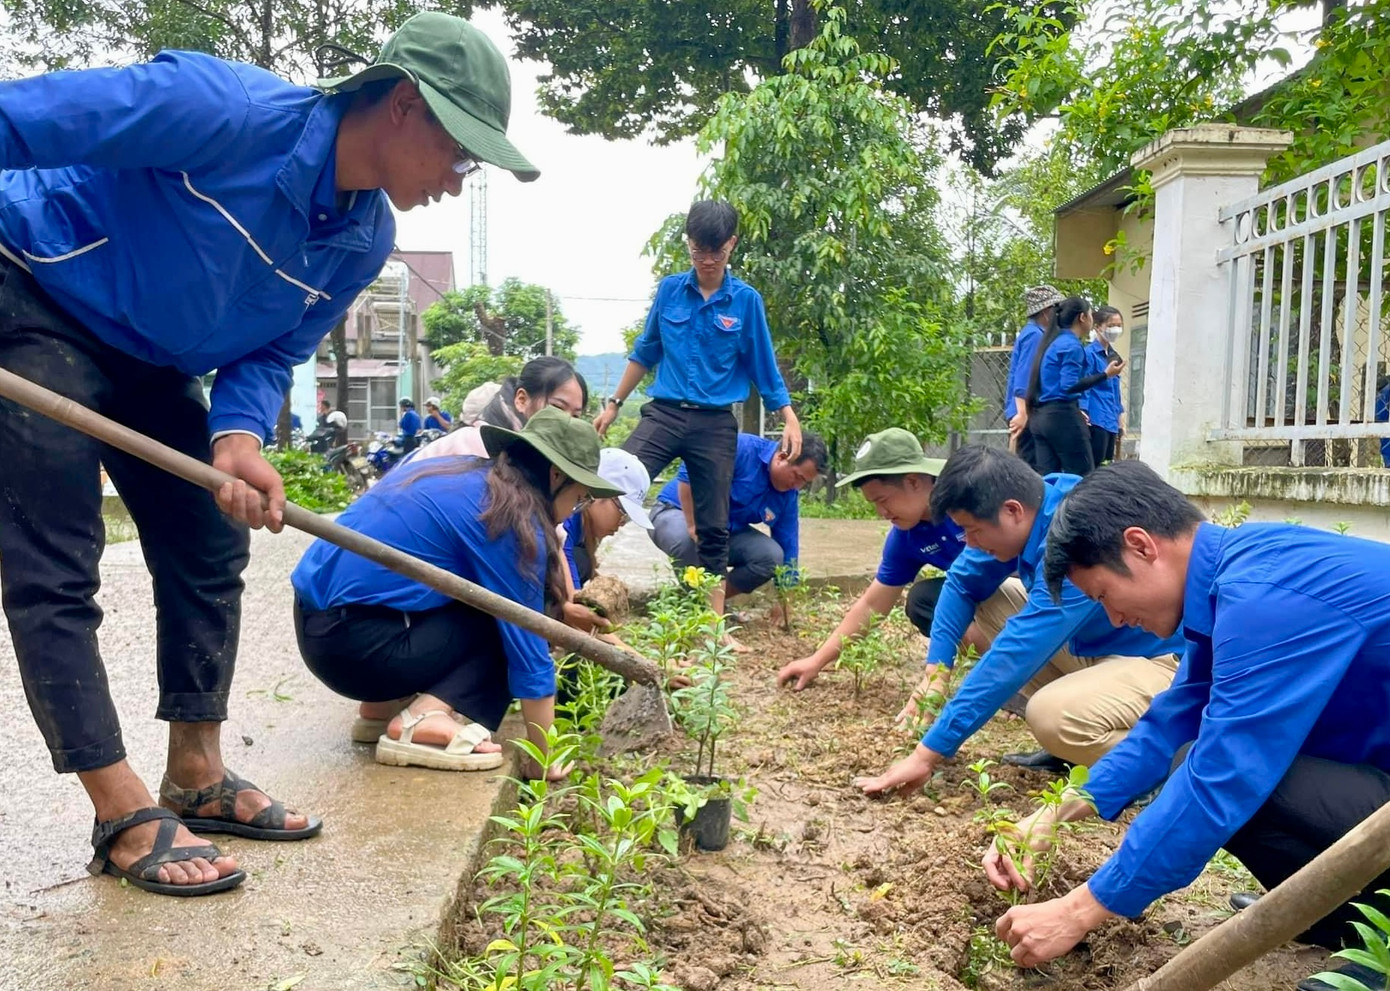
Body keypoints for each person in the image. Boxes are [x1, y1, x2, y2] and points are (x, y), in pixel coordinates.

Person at [0, 11, 535, 895]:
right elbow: (31, 115)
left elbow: (273, 349)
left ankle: (196, 771)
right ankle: (118, 807)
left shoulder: (363, 238)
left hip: (150, 354)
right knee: (57, 555)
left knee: (210, 540)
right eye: (458, 151)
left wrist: (238, 437)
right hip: (38, 287)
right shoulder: (222, 110)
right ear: (404, 104)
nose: (456, 178)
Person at [988, 461, 1390, 991]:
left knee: (1236, 780)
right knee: (1190, 759)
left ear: (1140, 546)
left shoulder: (1263, 598)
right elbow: (1172, 721)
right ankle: (1341, 920)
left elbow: (1222, 776)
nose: (1114, 619)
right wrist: (1055, 812)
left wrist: (1079, 910)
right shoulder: (1233, 575)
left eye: (1105, 595)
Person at [291, 407, 621, 775]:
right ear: (556, 475)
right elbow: (529, 648)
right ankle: (423, 717)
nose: (574, 510)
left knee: (478, 596)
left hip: (318, 627)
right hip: (356, 650)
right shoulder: (509, 517)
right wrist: (543, 759)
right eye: (579, 498)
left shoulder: (458, 472)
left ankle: (381, 707)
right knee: (520, 615)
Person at [855, 445, 1184, 796]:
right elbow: (960, 583)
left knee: (1052, 717)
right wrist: (936, 675)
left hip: (1167, 663)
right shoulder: (1037, 505)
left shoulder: (1077, 538)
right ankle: (1077, 745)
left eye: (973, 530)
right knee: (990, 601)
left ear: (1012, 510)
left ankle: (1176, 765)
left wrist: (927, 753)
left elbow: (1012, 658)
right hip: (1107, 647)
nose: (969, 543)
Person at [593, 200, 802, 623]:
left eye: (716, 252)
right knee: (611, 480)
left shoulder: (746, 301)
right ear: (688, 243)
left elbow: (763, 365)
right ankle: (581, 575)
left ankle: (711, 626)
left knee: (713, 526)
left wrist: (789, 416)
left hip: (715, 423)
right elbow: (646, 350)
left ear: (731, 245)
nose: (707, 261)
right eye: (698, 251)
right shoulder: (670, 290)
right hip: (665, 413)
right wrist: (614, 404)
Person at [777, 427, 997, 698]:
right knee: (924, 601)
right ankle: (1003, 668)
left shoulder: (969, 496)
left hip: (1026, 589)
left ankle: (1026, 666)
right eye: (874, 504)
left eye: (883, 500)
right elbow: (873, 604)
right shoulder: (906, 536)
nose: (881, 512)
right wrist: (816, 661)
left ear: (913, 481)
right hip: (983, 599)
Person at [649, 431, 827, 619]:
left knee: (771, 556)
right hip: (676, 511)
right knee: (691, 540)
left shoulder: (787, 495)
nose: (797, 486)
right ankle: (704, 612)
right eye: (797, 477)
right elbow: (690, 467)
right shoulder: (741, 448)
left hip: (723, 530)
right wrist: (693, 524)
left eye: (804, 483)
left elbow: (788, 544)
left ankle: (708, 604)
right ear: (782, 457)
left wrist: (784, 600)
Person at [415, 357, 588, 462]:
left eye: (575, 416)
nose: (568, 423)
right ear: (521, 400)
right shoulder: (482, 450)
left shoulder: (528, 448)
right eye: (557, 407)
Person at [559, 448, 655, 632]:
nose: (622, 523)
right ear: (600, 493)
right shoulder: (567, 522)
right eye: (623, 512)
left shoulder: (583, 531)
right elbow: (576, 612)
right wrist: (624, 648)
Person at [1025, 296, 1122, 477]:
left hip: (1041, 417)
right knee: (1083, 477)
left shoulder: (1052, 343)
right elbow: (1069, 386)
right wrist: (1105, 375)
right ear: (1082, 318)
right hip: (1062, 417)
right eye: (1090, 315)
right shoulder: (1072, 346)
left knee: (1049, 478)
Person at [1006, 285, 1065, 471]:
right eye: (1057, 308)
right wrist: (1022, 413)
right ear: (1047, 311)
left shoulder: (1034, 333)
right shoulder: (1035, 336)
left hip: (1028, 411)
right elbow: (1023, 376)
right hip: (1027, 413)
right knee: (1030, 468)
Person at [1082, 306, 1125, 465]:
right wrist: (1083, 411)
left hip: (1111, 421)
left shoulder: (1114, 356)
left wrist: (1120, 416)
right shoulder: (1089, 354)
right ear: (1098, 327)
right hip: (1095, 419)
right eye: (1111, 325)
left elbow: (1115, 390)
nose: (1115, 329)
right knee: (1094, 466)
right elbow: (1084, 385)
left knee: (1107, 466)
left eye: (1119, 325)